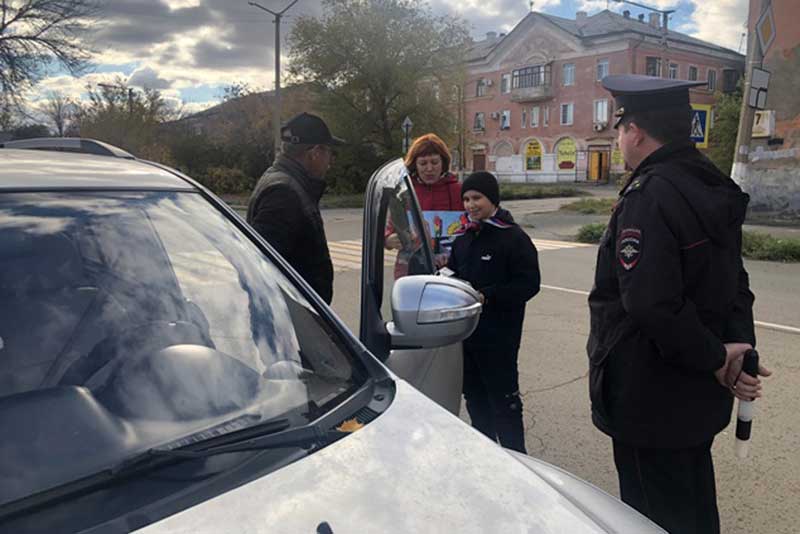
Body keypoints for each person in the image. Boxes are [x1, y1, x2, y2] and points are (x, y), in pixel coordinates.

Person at [587, 74, 772, 534]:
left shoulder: (650, 195)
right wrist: (735, 348)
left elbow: (650, 304)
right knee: (692, 507)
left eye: (620, 127)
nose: (619, 138)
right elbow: (736, 281)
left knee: (653, 516)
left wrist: (719, 358)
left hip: (649, 395)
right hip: (692, 396)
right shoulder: (709, 183)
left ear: (637, 131)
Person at [446, 171, 540, 453]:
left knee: (504, 401)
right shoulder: (462, 237)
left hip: (500, 336)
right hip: (467, 335)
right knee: (474, 397)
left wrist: (488, 296)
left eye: (477, 198)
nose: (470, 205)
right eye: (466, 199)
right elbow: (453, 271)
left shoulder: (513, 238)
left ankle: (517, 458)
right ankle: (486, 453)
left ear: (493, 199)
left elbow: (529, 284)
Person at [246, 113, 344, 305]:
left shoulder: (285, 181)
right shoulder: (283, 192)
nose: (330, 161)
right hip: (290, 320)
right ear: (315, 152)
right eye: (329, 153)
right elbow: (262, 266)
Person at [385, 133, 463, 276]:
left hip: (452, 271)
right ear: (414, 164)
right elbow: (390, 230)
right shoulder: (404, 192)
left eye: (434, 162)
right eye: (423, 163)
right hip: (411, 271)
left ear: (443, 163)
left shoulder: (459, 191)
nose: (429, 168)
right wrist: (389, 240)